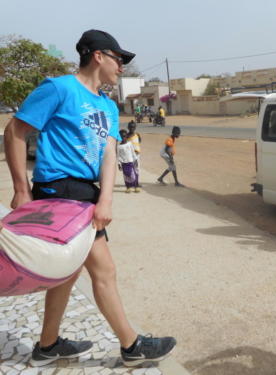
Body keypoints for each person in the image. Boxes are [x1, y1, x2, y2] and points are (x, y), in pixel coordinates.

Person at [3, 29, 176, 367]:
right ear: (98, 55)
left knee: (67, 273)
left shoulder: (107, 105)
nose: (123, 66)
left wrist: (106, 199)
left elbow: (109, 154)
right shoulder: (59, 88)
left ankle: (48, 345)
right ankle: (131, 346)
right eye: (119, 59)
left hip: (86, 192)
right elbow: (15, 131)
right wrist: (22, 190)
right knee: (104, 271)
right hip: (58, 190)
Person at [117, 129, 140, 193]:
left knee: (133, 175)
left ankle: (136, 187)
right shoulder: (119, 146)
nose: (123, 138)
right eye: (121, 137)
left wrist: (136, 160)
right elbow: (118, 156)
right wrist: (119, 164)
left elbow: (133, 152)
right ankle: (128, 187)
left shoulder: (129, 144)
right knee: (126, 176)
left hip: (131, 162)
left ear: (127, 136)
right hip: (123, 163)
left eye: (124, 136)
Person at [127, 120, 141, 186]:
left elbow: (139, 141)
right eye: (130, 127)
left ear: (135, 128)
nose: (132, 128)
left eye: (133, 127)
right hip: (129, 155)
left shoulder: (137, 135)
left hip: (137, 155)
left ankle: (137, 183)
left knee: (137, 168)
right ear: (128, 128)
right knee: (130, 169)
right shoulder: (126, 136)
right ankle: (131, 182)